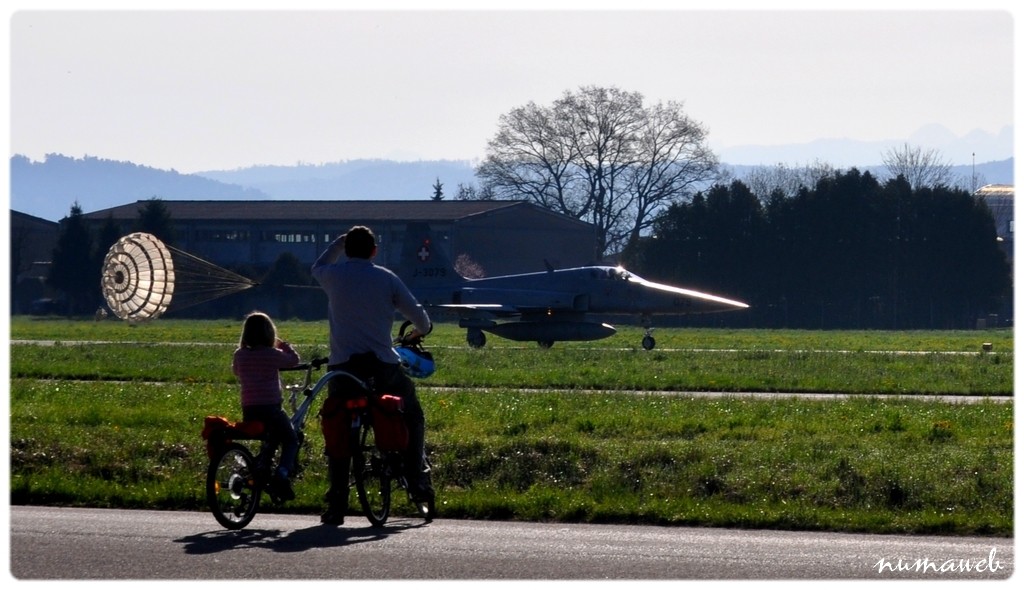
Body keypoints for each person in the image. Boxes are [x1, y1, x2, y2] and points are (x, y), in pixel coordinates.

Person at [312, 225, 433, 526]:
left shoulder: (333, 277)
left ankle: (337, 501)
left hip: (342, 369)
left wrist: (336, 245)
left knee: (339, 428)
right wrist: (418, 331)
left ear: (347, 249)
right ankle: (416, 478)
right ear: (375, 251)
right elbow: (421, 319)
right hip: (382, 366)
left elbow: (317, 266)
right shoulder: (386, 278)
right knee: (413, 414)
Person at [231, 310, 301, 502]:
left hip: (250, 410)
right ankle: (282, 473)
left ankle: (263, 469)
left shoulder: (240, 355)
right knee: (290, 439)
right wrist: (284, 346)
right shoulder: (272, 354)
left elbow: (236, 371)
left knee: (269, 439)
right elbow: (294, 360)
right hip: (272, 409)